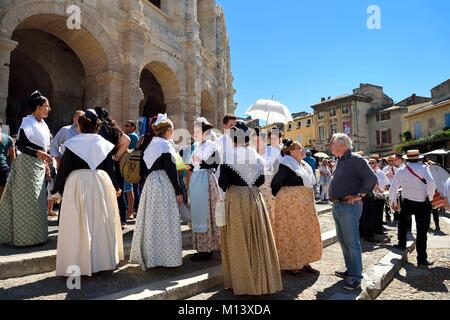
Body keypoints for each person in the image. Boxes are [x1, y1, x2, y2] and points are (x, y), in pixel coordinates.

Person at [51, 109, 124, 276]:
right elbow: (110, 169)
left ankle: (79, 262)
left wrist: (57, 190)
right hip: (100, 183)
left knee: (78, 223)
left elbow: (64, 169)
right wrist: (116, 186)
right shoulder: (103, 143)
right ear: (96, 126)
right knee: (100, 221)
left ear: (80, 126)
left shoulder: (73, 143)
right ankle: (101, 261)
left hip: (77, 184)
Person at [218, 121, 282, 296]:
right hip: (254, 197)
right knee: (256, 237)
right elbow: (261, 181)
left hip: (236, 199)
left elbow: (222, 183)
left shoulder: (228, 157)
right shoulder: (256, 156)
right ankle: (260, 280)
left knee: (238, 239)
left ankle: (243, 282)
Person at [129, 114, 183, 270]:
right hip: (163, 183)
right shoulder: (165, 145)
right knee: (165, 218)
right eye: (172, 128)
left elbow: (144, 168)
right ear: (168, 130)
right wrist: (178, 190)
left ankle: (152, 256)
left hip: (151, 183)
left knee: (152, 219)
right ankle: (167, 258)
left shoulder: (151, 143)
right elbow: (171, 170)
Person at [0, 90, 53, 247]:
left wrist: (45, 163)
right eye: (46, 106)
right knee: (26, 203)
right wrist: (38, 153)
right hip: (26, 166)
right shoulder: (26, 122)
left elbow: (45, 147)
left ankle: (38, 236)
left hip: (38, 165)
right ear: (38, 107)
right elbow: (22, 145)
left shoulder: (43, 124)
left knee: (38, 202)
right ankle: (24, 238)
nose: (49, 109)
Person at [329, 133, 377, 291]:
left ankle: (356, 277)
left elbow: (371, 178)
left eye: (332, 143)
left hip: (349, 207)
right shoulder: (341, 160)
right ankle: (350, 270)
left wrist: (360, 195)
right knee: (343, 241)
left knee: (352, 242)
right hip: (338, 206)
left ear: (342, 145)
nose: (330, 146)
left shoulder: (356, 159)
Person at [271, 139, 322, 275]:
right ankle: (292, 263)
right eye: (299, 149)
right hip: (291, 205)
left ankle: (305, 261)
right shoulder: (286, 164)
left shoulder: (304, 165)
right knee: (293, 231)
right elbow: (275, 183)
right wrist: (285, 198)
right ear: (291, 151)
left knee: (305, 231)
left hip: (305, 204)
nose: (303, 151)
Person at [389, 150, 436, 266]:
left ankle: (401, 243)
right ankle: (421, 259)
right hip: (422, 202)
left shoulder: (401, 170)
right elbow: (431, 183)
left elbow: (393, 187)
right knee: (421, 231)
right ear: (419, 158)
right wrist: (430, 197)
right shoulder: (424, 168)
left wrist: (393, 202)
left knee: (402, 223)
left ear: (407, 159)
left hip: (407, 201)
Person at [188, 117, 221, 261]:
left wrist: (200, 163)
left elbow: (215, 163)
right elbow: (192, 164)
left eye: (197, 131)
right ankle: (201, 247)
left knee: (206, 212)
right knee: (198, 213)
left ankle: (207, 249)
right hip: (197, 180)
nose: (194, 133)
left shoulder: (212, 145)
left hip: (206, 180)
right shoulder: (197, 146)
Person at [95, 107, 130, 228]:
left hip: (103, 164)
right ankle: (122, 220)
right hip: (115, 163)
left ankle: (107, 220)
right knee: (118, 190)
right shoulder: (114, 127)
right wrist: (117, 155)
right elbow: (127, 140)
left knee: (105, 192)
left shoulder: (98, 128)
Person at [260, 127, 283, 226]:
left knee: (277, 207)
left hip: (279, 181)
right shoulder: (266, 149)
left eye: (276, 137)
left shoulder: (283, 150)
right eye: (272, 138)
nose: (274, 140)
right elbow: (262, 163)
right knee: (267, 206)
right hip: (266, 181)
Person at [123, 120, 140, 220]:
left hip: (130, 166)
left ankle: (130, 212)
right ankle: (133, 211)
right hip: (132, 165)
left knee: (129, 189)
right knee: (132, 188)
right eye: (125, 125)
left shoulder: (132, 136)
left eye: (128, 126)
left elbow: (128, 150)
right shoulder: (132, 136)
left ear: (133, 127)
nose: (126, 127)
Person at [369, 159, 390, 235]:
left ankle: (378, 229)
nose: (371, 164)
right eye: (370, 163)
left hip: (380, 196)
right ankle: (373, 229)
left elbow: (387, 183)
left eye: (373, 163)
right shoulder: (368, 173)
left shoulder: (380, 172)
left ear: (376, 163)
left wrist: (385, 190)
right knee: (372, 214)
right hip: (371, 195)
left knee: (379, 213)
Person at [0, 121, 16, 198]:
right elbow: (13, 158)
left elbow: (13, 158)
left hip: (4, 169)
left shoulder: (9, 139)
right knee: (3, 196)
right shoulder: (9, 139)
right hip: (4, 168)